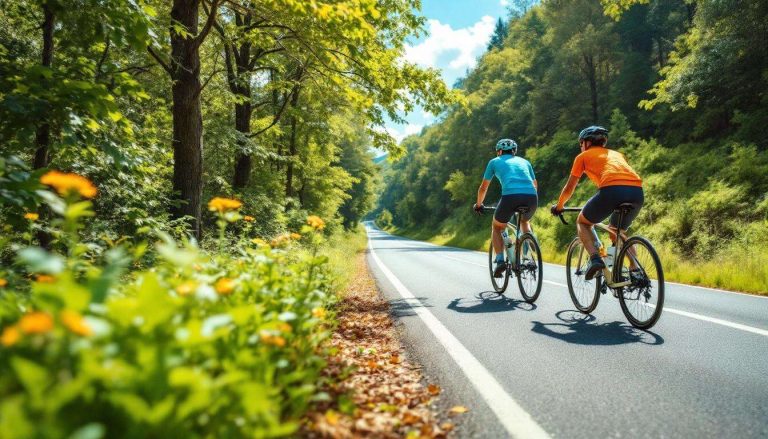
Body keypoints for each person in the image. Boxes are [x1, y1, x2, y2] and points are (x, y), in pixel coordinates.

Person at [550, 126, 644, 280]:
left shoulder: (583, 156)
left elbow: (569, 188)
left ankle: (595, 259)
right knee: (617, 231)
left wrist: (559, 206)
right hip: (637, 192)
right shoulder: (618, 154)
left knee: (583, 222)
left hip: (612, 190)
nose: (581, 147)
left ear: (586, 143)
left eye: (581, 143)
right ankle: (636, 271)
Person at [473, 138, 538, 277]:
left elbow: (483, 188)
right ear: (514, 151)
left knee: (497, 227)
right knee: (525, 222)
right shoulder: (525, 162)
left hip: (510, 197)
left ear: (499, 151)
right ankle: (531, 248)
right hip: (532, 197)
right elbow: (535, 184)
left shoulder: (494, 162)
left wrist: (479, 205)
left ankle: (501, 261)